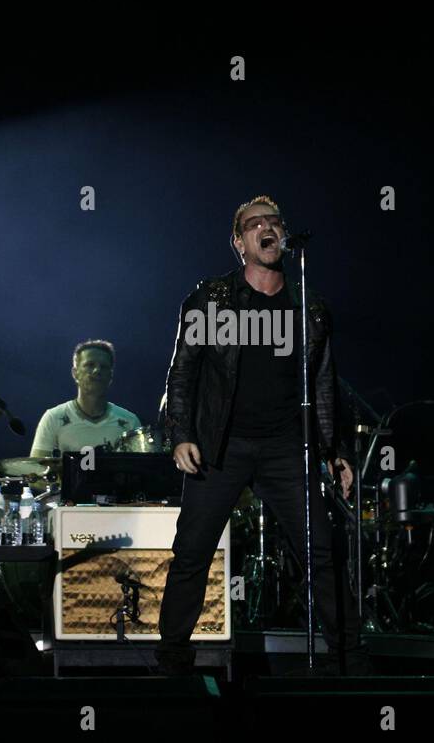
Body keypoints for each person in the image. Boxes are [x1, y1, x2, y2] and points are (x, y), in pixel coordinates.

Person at [156, 194, 366, 675]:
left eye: (275, 221)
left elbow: (325, 384)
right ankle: (171, 663)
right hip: (220, 447)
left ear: (284, 237)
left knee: (321, 552)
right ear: (239, 241)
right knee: (192, 553)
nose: (267, 228)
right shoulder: (211, 298)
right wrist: (181, 433)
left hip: (285, 448)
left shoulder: (308, 307)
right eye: (255, 224)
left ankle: (350, 662)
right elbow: (182, 372)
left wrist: (334, 452)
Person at [29, 339, 140, 455]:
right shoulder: (53, 418)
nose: (97, 370)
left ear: (111, 376)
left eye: (104, 367)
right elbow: (37, 469)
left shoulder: (130, 422)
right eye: (90, 365)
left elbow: (141, 471)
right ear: (75, 373)